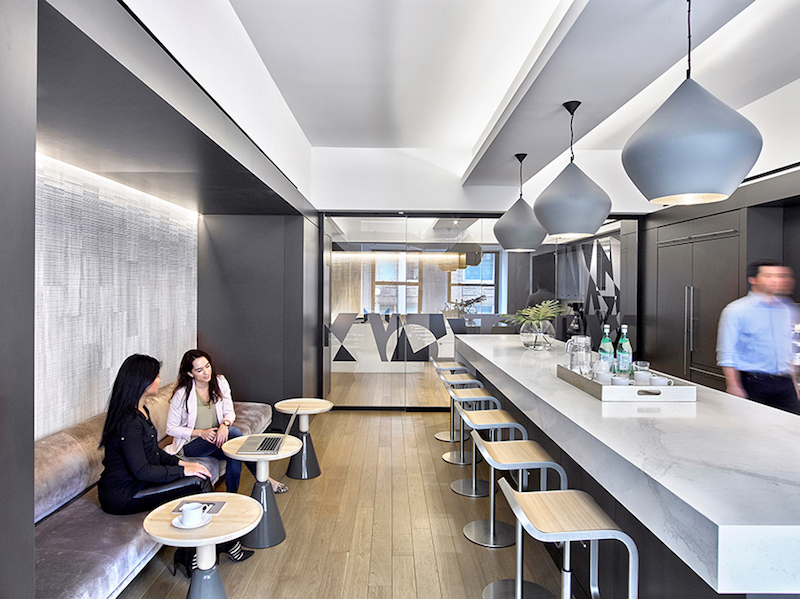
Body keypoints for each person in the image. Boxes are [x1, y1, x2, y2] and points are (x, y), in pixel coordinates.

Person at [98, 354, 253, 574]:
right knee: (197, 484)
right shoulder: (129, 423)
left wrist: (182, 463)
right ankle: (215, 545)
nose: (159, 381)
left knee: (198, 476)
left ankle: (196, 549)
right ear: (141, 383)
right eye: (156, 377)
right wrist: (181, 469)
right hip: (122, 495)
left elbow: (155, 454)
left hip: (136, 483)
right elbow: (142, 470)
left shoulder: (141, 411)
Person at [165, 349, 288, 494]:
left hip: (216, 437)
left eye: (207, 366)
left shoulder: (219, 382)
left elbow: (229, 411)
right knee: (235, 435)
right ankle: (266, 481)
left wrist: (225, 425)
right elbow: (170, 428)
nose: (206, 372)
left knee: (234, 450)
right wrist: (200, 433)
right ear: (190, 373)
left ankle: (231, 494)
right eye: (199, 370)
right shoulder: (182, 394)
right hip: (191, 444)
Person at [717, 260, 800, 414]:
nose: (775, 280)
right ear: (753, 280)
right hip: (754, 383)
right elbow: (727, 353)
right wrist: (733, 385)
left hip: (785, 384)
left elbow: (787, 350)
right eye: (768, 276)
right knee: (754, 433)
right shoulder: (736, 310)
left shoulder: (787, 309)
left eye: (779, 276)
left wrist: (795, 384)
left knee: (791, 433)